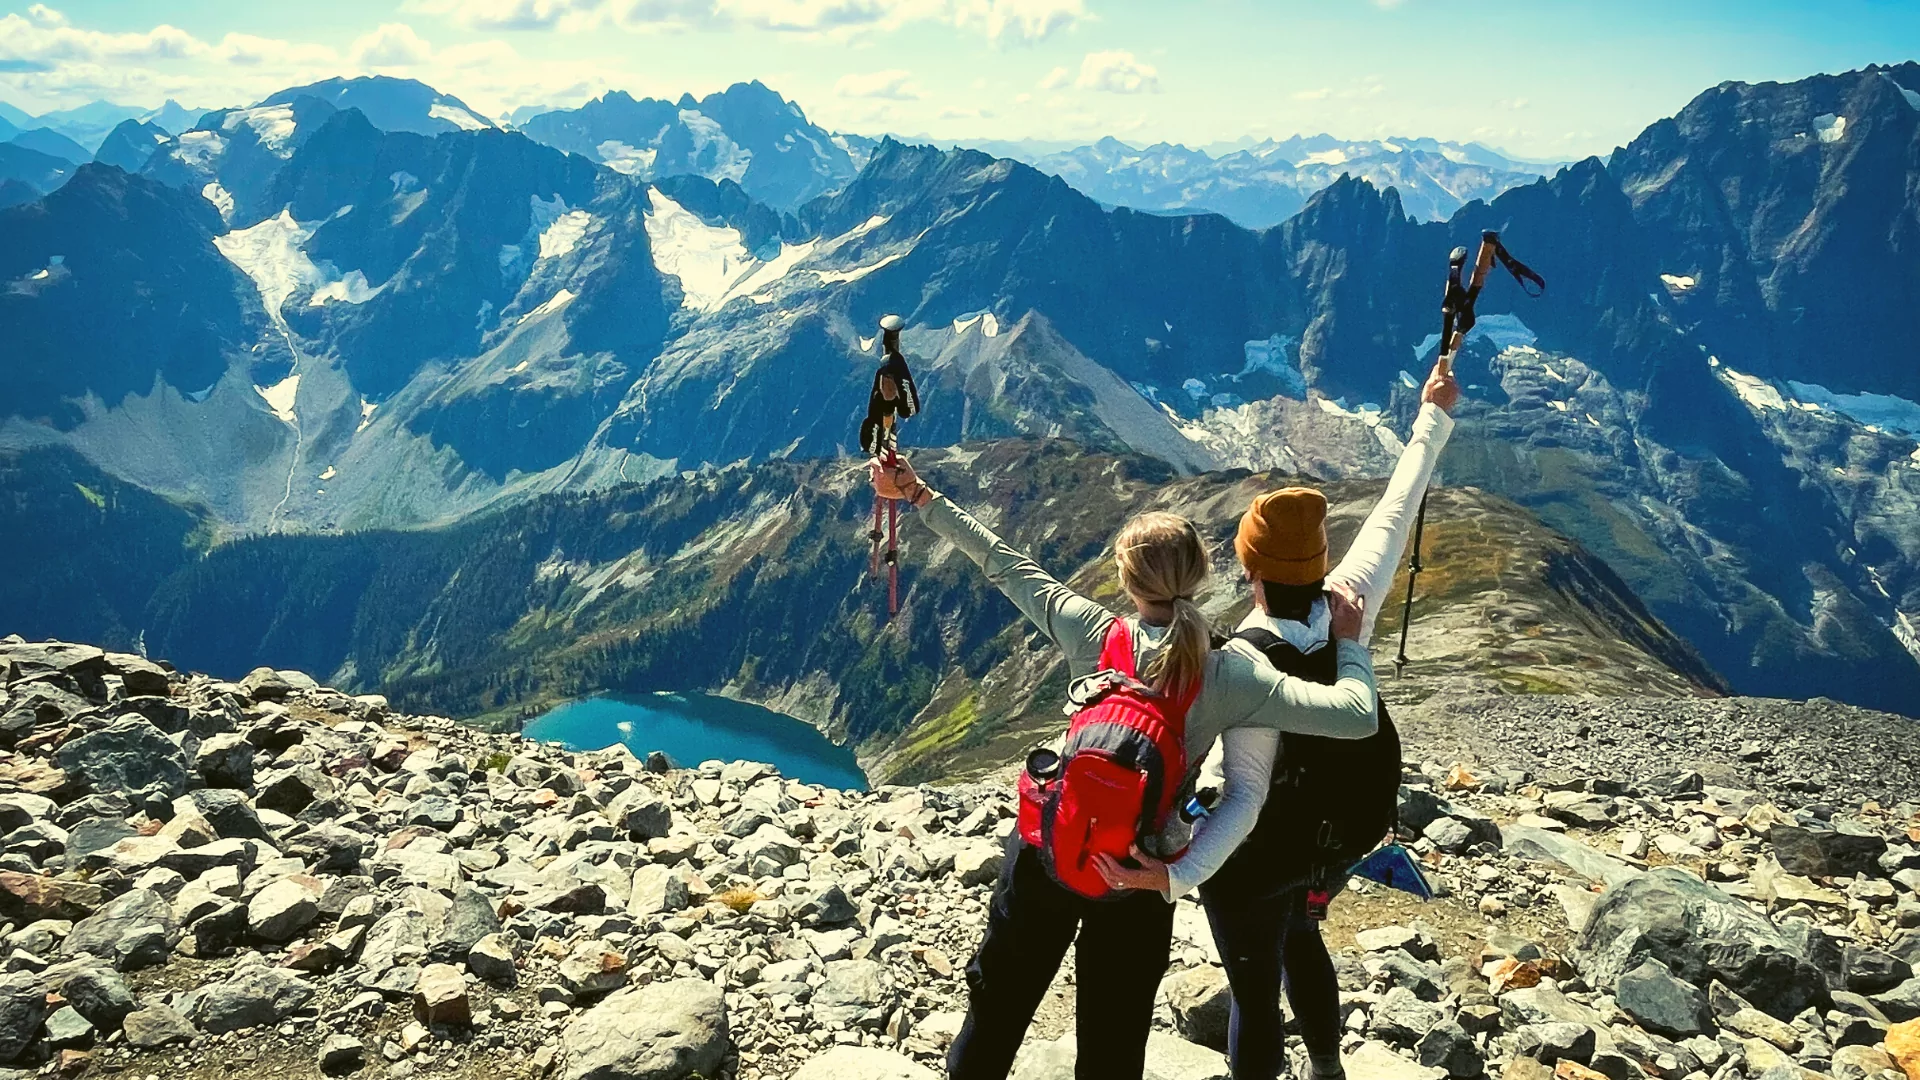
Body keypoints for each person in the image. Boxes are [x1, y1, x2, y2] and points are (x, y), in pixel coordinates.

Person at [868, 457, 1383, 1080]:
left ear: (1125, 577)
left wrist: (918, 493)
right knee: (1112, 1043)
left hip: (1047, 847)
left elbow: (1000, 561)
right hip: (1137, 874)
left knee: (998, 1005)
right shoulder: (1231, 671)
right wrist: (1349, 642)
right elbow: (1355, 716)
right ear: (1202, 574)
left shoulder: (1093, 630)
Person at [1096, 358, 1462, 1080]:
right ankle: (1328, 1070)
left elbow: (1246, 795)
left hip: (1259, 856)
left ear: (1252, 569)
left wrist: (1177, 877)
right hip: (1333, 840)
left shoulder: (1244, 660)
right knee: (1303, 937)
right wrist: (1434, 414)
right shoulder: (1351, 602)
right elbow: (1397, 506)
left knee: (1254, 990)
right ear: (1317, 562)